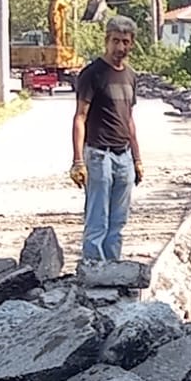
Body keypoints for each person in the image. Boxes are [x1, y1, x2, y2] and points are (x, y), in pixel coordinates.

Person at [70, 16, 144, 261]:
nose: (120, 48)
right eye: (115, 41)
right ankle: (93, 273)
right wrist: (78, 160)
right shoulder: (92, 74)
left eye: (125, 42)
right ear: (106, 41)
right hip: (99, 155)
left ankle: (113, 273)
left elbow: (129, 120)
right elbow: (80, 116)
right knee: (97, 221)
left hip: (123, 158)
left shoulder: (130, 76)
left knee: (118, 223)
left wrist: (137, 159)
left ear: (132, 43)